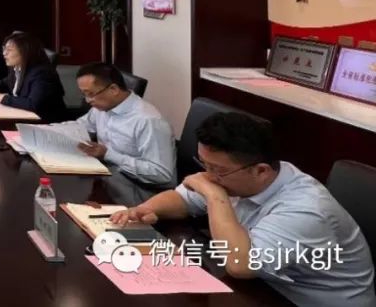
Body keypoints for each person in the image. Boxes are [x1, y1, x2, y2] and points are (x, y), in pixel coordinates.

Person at [111, 112, 375, 306]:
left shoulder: (306, 210)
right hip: (262, 289)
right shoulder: (241, 177)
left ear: (261, 171)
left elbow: (241, 264)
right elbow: (183, 199)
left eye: (218, 170)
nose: (208, 175)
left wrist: (214, 196)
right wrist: (143, 209)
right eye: (204, 164)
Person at [51, 62, 175, 187]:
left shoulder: (148, 121)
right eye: (84, 95)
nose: (88, 101)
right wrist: (46, 130)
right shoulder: (102, 107)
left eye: (91, 94)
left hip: (141, 187)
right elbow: (80, 126)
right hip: (109, 176)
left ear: (113, 89)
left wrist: (108, 155)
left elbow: (161, 174)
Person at [0, 32, 66, 122]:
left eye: (9, 50)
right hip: (23, 117)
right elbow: (7, 81)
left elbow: (33, 104)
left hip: (45, 123)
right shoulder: (18, 66)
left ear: (25, 52)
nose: (4, 53)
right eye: (4, 49)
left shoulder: (42, 73)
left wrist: (1, 98)